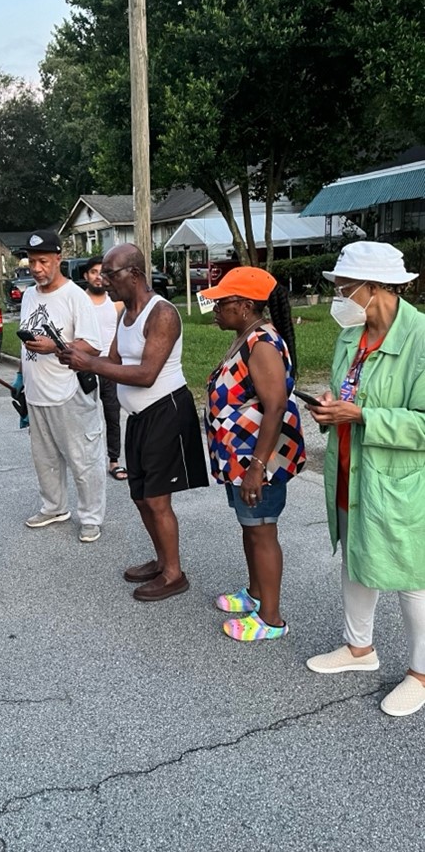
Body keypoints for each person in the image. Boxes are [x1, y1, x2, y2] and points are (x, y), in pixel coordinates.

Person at [304, 241, 425, 717]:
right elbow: (348, 390)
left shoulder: (419, 339)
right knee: (356, 555)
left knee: (411, 573)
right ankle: (359, 649)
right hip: (348, 467)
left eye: (344, 287)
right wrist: (331, 408)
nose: (338, 295)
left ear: (375, 288)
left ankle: (420, 672)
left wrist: (360, 414)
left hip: (396, 478)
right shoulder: (352, 336)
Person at [61, 243, 208, 601]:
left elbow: (145, 374)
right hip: (140, 417)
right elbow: (113, 360)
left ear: (136, 274)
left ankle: (174, 574)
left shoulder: (162, 314)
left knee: (158, 500)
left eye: (111, 274)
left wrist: (90, 365)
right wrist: (72, 353)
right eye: (103, 274)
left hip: (166, 412)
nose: (104, 280)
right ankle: (162, 561)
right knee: (141, 496)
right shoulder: (125, 313)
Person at [203, 268, 306, 640]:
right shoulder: (246, 336)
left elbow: (275, 406)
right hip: (239, 458)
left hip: (257, 461)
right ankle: (256, 593)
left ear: (245, 306)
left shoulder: (262, 342)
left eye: (221, 302)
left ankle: (272, 618)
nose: (214, 308)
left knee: (263, 531)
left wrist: (256, 469)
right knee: (250, 527)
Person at [16, 230, 107, 543]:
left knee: (83, 458)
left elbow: (93, 346)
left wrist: (55, 347)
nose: (36, 267)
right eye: (32, 261)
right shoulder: (29, 294)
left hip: (69, 390)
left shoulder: (74, 296)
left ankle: (91, 517)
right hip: (37, 392)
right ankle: (54, 507)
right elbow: (25, 340)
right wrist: (20, 379)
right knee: (45, 459)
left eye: (43, 261)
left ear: (58, 259)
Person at [83, 256, 127, 481]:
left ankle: (114, 461)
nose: (98, 277)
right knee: (85, 416)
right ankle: (88, 463)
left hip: (109, 367)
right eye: (93, 272)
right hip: (84, 365)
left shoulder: (117, 303)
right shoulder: (80, 301)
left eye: (102, 272)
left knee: (112, 414)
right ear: (86, 276)